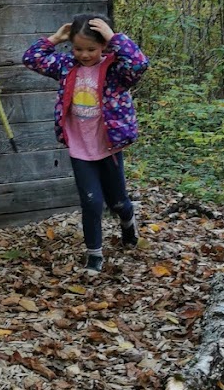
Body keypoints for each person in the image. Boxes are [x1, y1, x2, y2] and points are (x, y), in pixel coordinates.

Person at [22, 14, 148, 274]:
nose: (85, 55)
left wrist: (115, 38)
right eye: (78, 48)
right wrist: (55, 39)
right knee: (91, 202)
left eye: (91, 49)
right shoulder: (67, 67)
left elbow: (139, 65)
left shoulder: (116, 70)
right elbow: (31, 59)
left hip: (108, 146)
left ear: (103, 47)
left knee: (118, 204)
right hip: (80, 148)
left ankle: (128, 221)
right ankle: (94, 255)